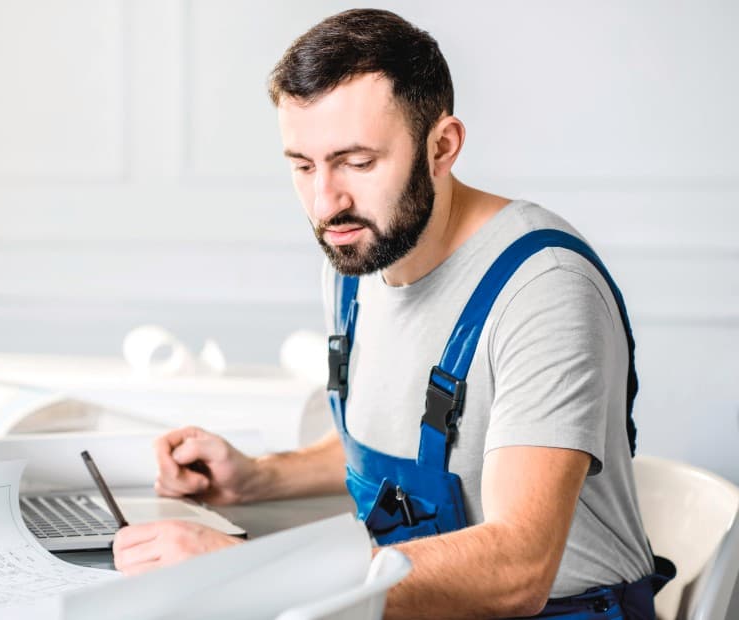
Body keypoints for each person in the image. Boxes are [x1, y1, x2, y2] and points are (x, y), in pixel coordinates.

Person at [112, 8, 672, 619]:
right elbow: (416, 443)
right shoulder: (357, 259)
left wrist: (249, 574)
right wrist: (257, 478)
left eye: (357, 162)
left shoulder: (543, 289)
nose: (327, 202)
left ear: (442, 146)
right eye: (303, 165)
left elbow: (519, 566)